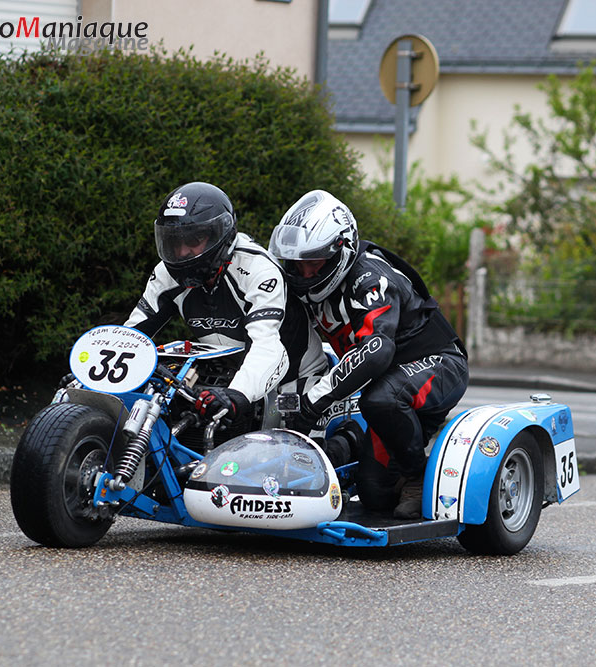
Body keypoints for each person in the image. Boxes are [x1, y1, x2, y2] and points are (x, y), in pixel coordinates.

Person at [268, 190, 469, 519]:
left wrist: (315, 398)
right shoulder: (302, 284)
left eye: (313, 263)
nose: (304, 274)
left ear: (340, 252)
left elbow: (377, 350)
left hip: (440, 364)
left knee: (380, 400)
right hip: (388, 379)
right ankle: (348, 445)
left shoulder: (369, 277)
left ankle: (417, 475)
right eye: (297, 264)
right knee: (375, 496)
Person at [123, 182, 327, 430]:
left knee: (288, 457)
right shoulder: (166, 272)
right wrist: (91, 379)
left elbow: (267, 347)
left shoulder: (258, 269)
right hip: (223, 376)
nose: (182, 252)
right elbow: (131, 335)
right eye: (175, 242)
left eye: (193, 240)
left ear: (220, 234)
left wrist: (236, 394)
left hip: (292, 380)